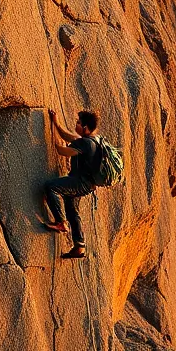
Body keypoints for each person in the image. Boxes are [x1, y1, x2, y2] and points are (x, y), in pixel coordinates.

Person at [41, 108, 101, 259]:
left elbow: (62, 151)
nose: (76, 124)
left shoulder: (86, 144)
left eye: (79, 123)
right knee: (72, 209)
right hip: (86, 184)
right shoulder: (92, 141)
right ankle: (79, 246)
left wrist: (52, 138)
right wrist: (55, 123)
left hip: (80, 182)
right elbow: (69, 137)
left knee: (51, 186)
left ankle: (60, 222)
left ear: (85, 128)